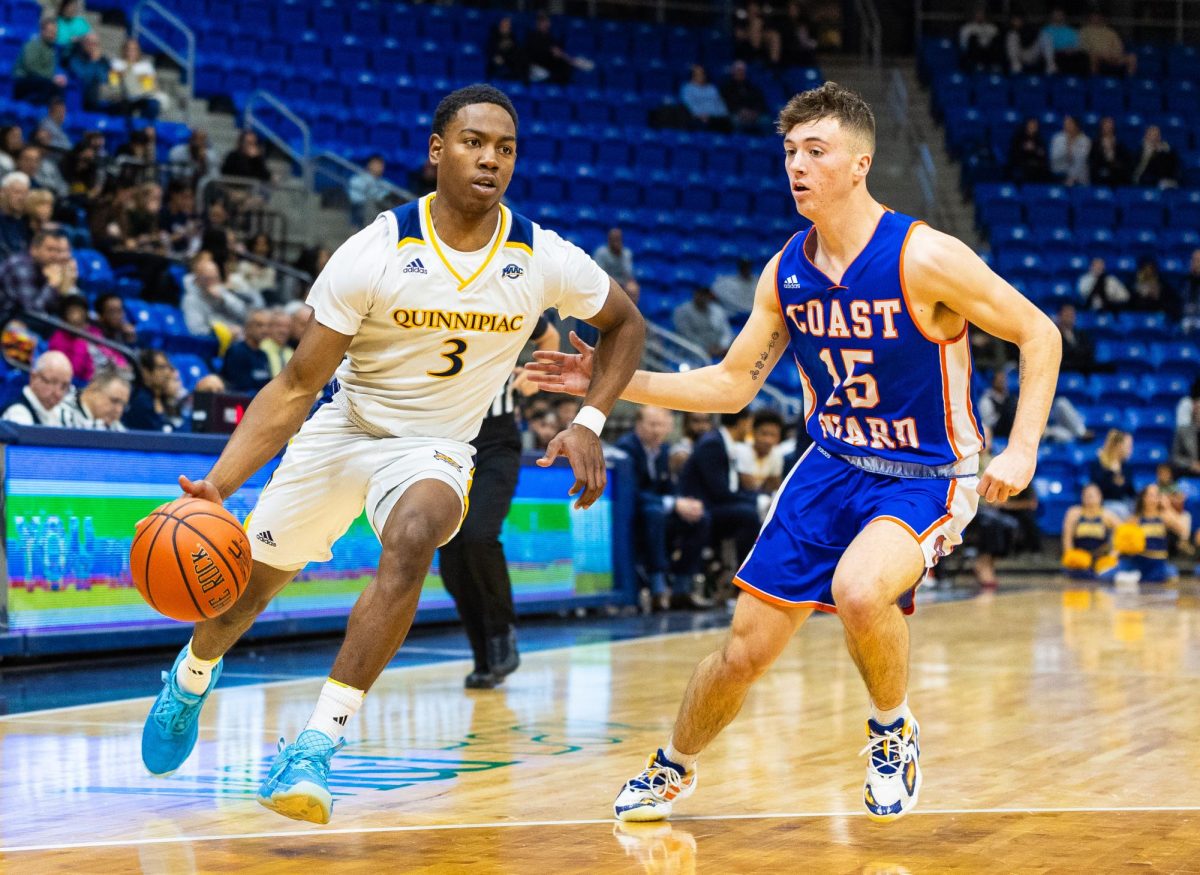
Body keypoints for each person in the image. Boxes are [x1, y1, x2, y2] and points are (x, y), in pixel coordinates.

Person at [530, 81, 1060, 823]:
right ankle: (674, 765)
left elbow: (1041, 332)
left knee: (859, 590)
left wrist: (1025, 447)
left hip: (927, 473)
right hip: (831, 466)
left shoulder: (925, 256)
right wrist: (612, 380)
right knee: (743, 650)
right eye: (789, 152)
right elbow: (727, 385)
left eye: (817, 150)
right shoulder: (786, 272)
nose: (798, 166)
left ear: (859, 164)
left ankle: (891, 729)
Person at [137, 84, 644, 826]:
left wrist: (591, 418)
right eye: (474, 142)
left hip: (434, 447)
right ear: (437, 150)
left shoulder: (541, 256)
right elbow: (295, 383)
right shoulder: (375, 249)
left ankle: (314, 745)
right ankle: (190, 674)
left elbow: (627, 324)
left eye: (505, 148)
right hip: (346, 426)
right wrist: (218, 483)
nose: (491, 159)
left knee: (413, 538)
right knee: (245, 593)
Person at [439, 316, 559, 689]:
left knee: (478, 534)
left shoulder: (506, 294)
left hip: (495, 443)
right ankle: (483, 656)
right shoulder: (422, 298)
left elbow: (549, 336)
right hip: (441, 440)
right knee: (451, 556)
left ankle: (503, 629)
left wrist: (534, 374)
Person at [616, 405, 709, 613]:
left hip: (656, 510)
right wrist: (673, 504)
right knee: (653, 513)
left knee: (700, 517)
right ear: (638, 425)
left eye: (662, 425)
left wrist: (682, 502)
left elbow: (670, 488)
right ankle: (658, 587)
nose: (657, 430)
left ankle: (681, 587)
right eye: (652, 425)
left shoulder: (664, 450)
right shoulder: (626, 448)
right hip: (631, 514)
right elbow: (632, 492)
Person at [0, 227, 76, 321]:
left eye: (57, 251)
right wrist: (51, 285)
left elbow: (54, 308)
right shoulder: (21, 266)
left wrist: (64, 285)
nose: (55, 255)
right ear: (34, 250)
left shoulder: (46, 269)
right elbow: (32, 313)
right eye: (50, 250)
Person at [1116, 485, 1182, 584]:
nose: (1154, 499)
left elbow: (1182, 529)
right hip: (1139, 560)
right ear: (1143, 498)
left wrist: (1167, 507)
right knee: (1107, 577)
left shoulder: (1164, 516)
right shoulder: (1135, 519)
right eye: (1151, 495)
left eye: (1157, 495)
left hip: (1158, 561)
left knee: (1170, 575)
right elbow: (1123, 540)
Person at [1060, 483, 1120, 580]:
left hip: (1100, 559)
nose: (1089, 499)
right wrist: (1070, 556)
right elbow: (1067, 538)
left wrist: (1113, 555)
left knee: (1107, 574)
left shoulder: (1107, 515)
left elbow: (1123, 534)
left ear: (1100, 497)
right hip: (1080, 559)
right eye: (1086, 496)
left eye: (1092, 496)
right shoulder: (1074, 513)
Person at [2, 349, 73, 425]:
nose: (58, 393)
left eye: (64, 386)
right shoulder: (17, 414)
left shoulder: (57, 414)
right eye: (52, 382)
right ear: (33, 377)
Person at [123, 348, 181, 432]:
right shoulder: (140, 400)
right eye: (161, 368)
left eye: (168, 367)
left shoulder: (164, 399)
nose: (167, 372)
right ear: (146, 372)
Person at [13, 16, 67, 104]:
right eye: (50, 32)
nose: (53, 35)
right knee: (46, 84)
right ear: (42, 31)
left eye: (54, 33)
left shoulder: (52, 49)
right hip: (24, 79)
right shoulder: (32, 45)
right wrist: (51, 78)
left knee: (60, 86)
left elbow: (52, 69)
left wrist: (60, 77)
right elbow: (31, 67)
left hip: (43, 80)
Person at [109, 37, 165, 118]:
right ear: (123, 50)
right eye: (128, 49)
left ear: (138, 51)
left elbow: (150, 86)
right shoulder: (117, 63)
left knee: (153, 103)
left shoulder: (146, 66)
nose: (131, 52)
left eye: (134, 49)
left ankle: (148, 126)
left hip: (142, 97)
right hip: (123, 97)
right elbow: (113, 83)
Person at [220, 308, 272, 394]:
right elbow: (237, 388)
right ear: (248, 327)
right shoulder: (236, 351)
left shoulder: (263, 355)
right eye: (259, 325)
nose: (265, 330)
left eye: (267, 326)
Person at [62, 368, 130, 430]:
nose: (119, 410)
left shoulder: (114, 426)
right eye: (114, 401)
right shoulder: (62, 414)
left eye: (123, 405)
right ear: (93, 389)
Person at [673, 286, 731, 359]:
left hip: (718, 349)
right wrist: (706, 349)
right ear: (695, 294)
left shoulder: (717, 309)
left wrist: (722, 346)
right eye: (701, 294)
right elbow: (687, 336)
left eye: (705, 294)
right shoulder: (682, 311)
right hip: (693, 352)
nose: (703, 297)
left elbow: (726, 332)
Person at [1089, 429, 1136, 517]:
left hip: (1123, 503)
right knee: (1119, 510)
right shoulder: (1098, 464)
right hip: (1103, 504)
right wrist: (1111, 472)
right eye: (1128, 446)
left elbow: (1130, 491)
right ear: (1118, 445)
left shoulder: (1126, 466)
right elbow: (1097, 487)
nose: (1131, 450)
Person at [1078, 12, 1136, 77]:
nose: (1096, 19)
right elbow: (1083, 46)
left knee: (1132, 57)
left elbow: (1118, 45)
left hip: (1112, 55)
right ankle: (1094, 79)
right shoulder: (1084, 31)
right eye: (1093, 17)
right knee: (1093, 56)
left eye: (1097, 17)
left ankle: (1129, 80)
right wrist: (1101, 54)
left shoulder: (1110, 32)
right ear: (1089, 19)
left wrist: (1113, 54)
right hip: (1096, 55)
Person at [720, 61, 769, 133]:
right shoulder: (727, 87)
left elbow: (759, 102)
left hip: (753, 114)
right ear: (733, 72)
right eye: (738, 70)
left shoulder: (752, 87)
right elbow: (726, 103)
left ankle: (766, 143)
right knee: (735, 121)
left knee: (766, 121)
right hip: (736, 113)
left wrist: (755, 112)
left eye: (742, 71)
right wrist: (740, 111)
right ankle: (737, 141)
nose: (740, 73)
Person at [680, 65, 730, 132]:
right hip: (698, 118)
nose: (700, 76)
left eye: (702, 73)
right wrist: (700, 115)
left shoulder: (712, 88)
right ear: (692, 76)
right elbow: (689, 105)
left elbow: (721, 105)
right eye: (697, 74)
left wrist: (719, 115)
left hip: (715, 118)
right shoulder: (687, 88)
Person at [592, 227, 639, 299]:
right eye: (614, 239)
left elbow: (629, 274)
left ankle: (627, 310)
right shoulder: (601, 252)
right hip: (606, 282)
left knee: (633, 288)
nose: (616, 242)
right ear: (609, 240)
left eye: (618, 239)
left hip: (622, 283)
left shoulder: (626, 253)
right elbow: (599, 274)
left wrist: (620, 256)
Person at [1041, 7, 1087, 76]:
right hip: (1055, 52)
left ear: (1063, 16)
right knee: (1061, 58)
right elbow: (1045, 46)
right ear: (1052, 16)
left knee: (1083, 56)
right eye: (1056, 15)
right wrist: (1062, 50)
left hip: (1071, 52)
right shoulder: (1046, 30)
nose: (1058, 17)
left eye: (1060, 15)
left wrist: (1072, 50)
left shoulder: (1072, 30)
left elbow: (1078, 44)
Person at [347, 154, 392, 225]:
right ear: (369, 165)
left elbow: (388, 196)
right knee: (370, 205)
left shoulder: (385, 183)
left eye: (381, 165)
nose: (379, 167)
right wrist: (374, 199)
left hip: (380, 209)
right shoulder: (357, 180)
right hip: (360, 211)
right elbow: (355, 199)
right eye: (376, 164)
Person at [1087, 116, 1131, 188]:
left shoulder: (1120, 144)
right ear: (1102, 127)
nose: (1108, 128)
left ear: (1113, 127)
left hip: (1116, 177)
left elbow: (1125, 161)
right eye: (1106, 125)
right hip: (1100, 176)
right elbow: (1092, 161)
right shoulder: (1095, 144)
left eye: (1110, 125)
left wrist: (1112, 154)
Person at [959, 3, 1002, 71]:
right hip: (973, 54)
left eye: (982, 14)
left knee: (996, 39)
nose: (980, 16)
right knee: (973, 37)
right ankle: (977, 64)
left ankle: (994, 65)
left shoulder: (992, 28)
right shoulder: (967, 28)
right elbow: (963, 45)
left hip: (988, 54)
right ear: (974, 15)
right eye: (978, 14)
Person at [1007, 117, 1050, 184]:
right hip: (1021, 163)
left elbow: (1042, 153)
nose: (1033, 127)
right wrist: (1024, 148)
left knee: (1045, 170)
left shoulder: (1039, 138)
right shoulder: (1018, 137)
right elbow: (1013, 152)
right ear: (1026, 125)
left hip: (1036, 164)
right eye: (1031, 125)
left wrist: (1034, 149)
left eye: (1034, 126)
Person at [1050, 116, 1090, 187]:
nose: (1067, 126)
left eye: (1070, 124)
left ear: (1076, 126)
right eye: (1065, 124)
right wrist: (1067, 150)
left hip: (1079, 177)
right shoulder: (1057, 138)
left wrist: (1072, 177)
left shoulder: (1085, 140)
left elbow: (1080, 162)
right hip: (1059, 174)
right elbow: (1054, 159)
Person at [0, 171, 32, 258]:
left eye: (25, 193)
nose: (21, 197)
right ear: (2, 192)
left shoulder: (28, 221)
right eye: (17, 192)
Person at [1055, 303, 1094, 374]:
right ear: (1059, 316)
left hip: (1081, 369)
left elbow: (1088, 351)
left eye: (1072, 314)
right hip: (1064, 371)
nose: (1070, 317)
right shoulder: (1055, 335)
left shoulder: (1081, 334)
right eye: (1067, 314)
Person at [485, 16, 527, 81]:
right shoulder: (494, 37)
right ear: (500, 26)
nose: (505, 28)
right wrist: (495, 57)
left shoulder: (513, 38)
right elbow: (489, 50)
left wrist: (506, 59)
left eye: (507, 26)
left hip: (509, 64)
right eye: (503, 26)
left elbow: (516, 53)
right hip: (496, 64)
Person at [1172, 401, 1200, 476]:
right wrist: (1191, 464)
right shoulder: (1183, 431)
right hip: (1189, 473)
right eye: (1197, 409)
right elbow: (1175, 458)